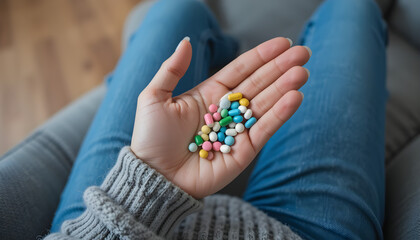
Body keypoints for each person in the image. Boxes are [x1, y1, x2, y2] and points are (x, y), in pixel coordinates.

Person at [46, 0, 387, 239]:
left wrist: (151, 176)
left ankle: (222, 50)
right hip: (290, 234)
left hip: (105, 219)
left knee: (177, 9)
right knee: (353, 9)